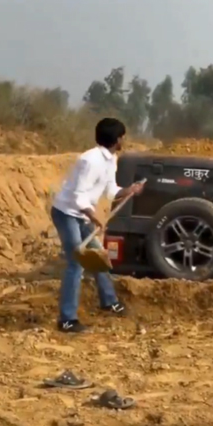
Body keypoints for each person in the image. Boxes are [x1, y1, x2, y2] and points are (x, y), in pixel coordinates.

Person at [50, 118, 147, 333]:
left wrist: (129, 190)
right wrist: (95, 217)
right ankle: (67, 319)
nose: (124, 140)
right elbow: (78, 196)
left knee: (98, 258)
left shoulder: (111, 159)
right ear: (117, 139)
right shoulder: (89, 160)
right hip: (67, 214)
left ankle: (109, 302)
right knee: (77, 263)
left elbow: (111, 190)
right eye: (123, 136)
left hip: (82, 215)